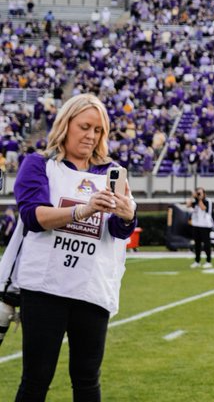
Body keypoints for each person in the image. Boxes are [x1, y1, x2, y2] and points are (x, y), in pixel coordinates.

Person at [4, 93, 137, 400]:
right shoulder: (38, 165)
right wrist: (83, 210)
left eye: (98, 130)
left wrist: (128, 213)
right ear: (66, 124)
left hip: (91, 289)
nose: (91, 136)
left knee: (87, 379)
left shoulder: (110, 172)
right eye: (85, 126)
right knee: (36, 379)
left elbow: (118, 230)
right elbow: (34, 217)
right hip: (45, 288)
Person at [186, 187, 214, 269]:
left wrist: (199, 199)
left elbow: (203, 208)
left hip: (205, 225)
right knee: (197, 244)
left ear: (204, 194)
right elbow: (188, 205)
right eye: (198, 193)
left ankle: (208, 261)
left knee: (206, 244)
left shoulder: (207, 201)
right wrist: (192, 196)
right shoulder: (195, 201)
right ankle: (197, 261)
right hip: (196, 224)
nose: (199, 194)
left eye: (200, 193)